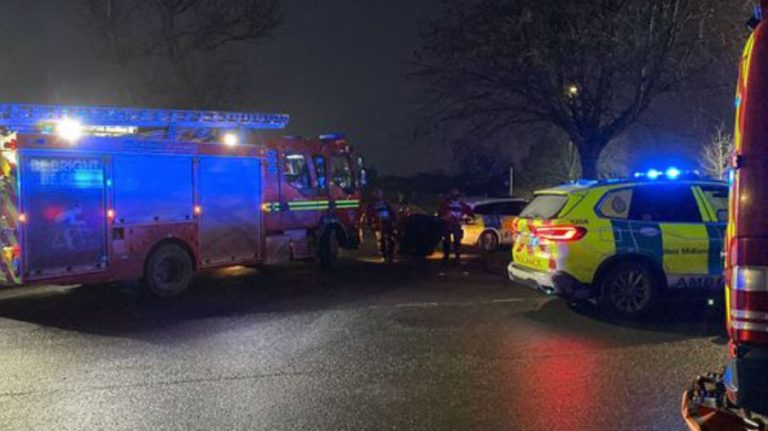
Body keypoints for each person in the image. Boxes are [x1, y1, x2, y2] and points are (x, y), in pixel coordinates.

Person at [438, 189, 474, 264]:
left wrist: (468, 218)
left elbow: (470, 212)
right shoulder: (447, 204)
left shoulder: (461, 205)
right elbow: (441, 212)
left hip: (456, 224)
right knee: (447, 240)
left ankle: (455, 255)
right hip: (448, 223)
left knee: (456, 241)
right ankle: (448, 255)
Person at [365, 188, 397, 263]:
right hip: (378, 224)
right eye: (376, 193)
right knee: (381, 239)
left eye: (379, 193)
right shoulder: (371, 205)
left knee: (391, 239)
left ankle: (391, 255)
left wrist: (394, 220)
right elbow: (368, 215)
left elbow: (392, 212)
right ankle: (384, 255)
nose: (378, 195)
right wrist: (370, 224)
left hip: (387, 222)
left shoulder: (386, 203)